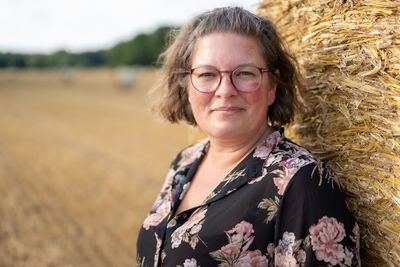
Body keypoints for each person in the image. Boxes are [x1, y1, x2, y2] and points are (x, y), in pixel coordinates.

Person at [136, 7, 360, 267]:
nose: (225, 90)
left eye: (244, 73)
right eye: (207, 74)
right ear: (187, 86)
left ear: (272, 87)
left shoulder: (303, 184)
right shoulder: (185, 161)